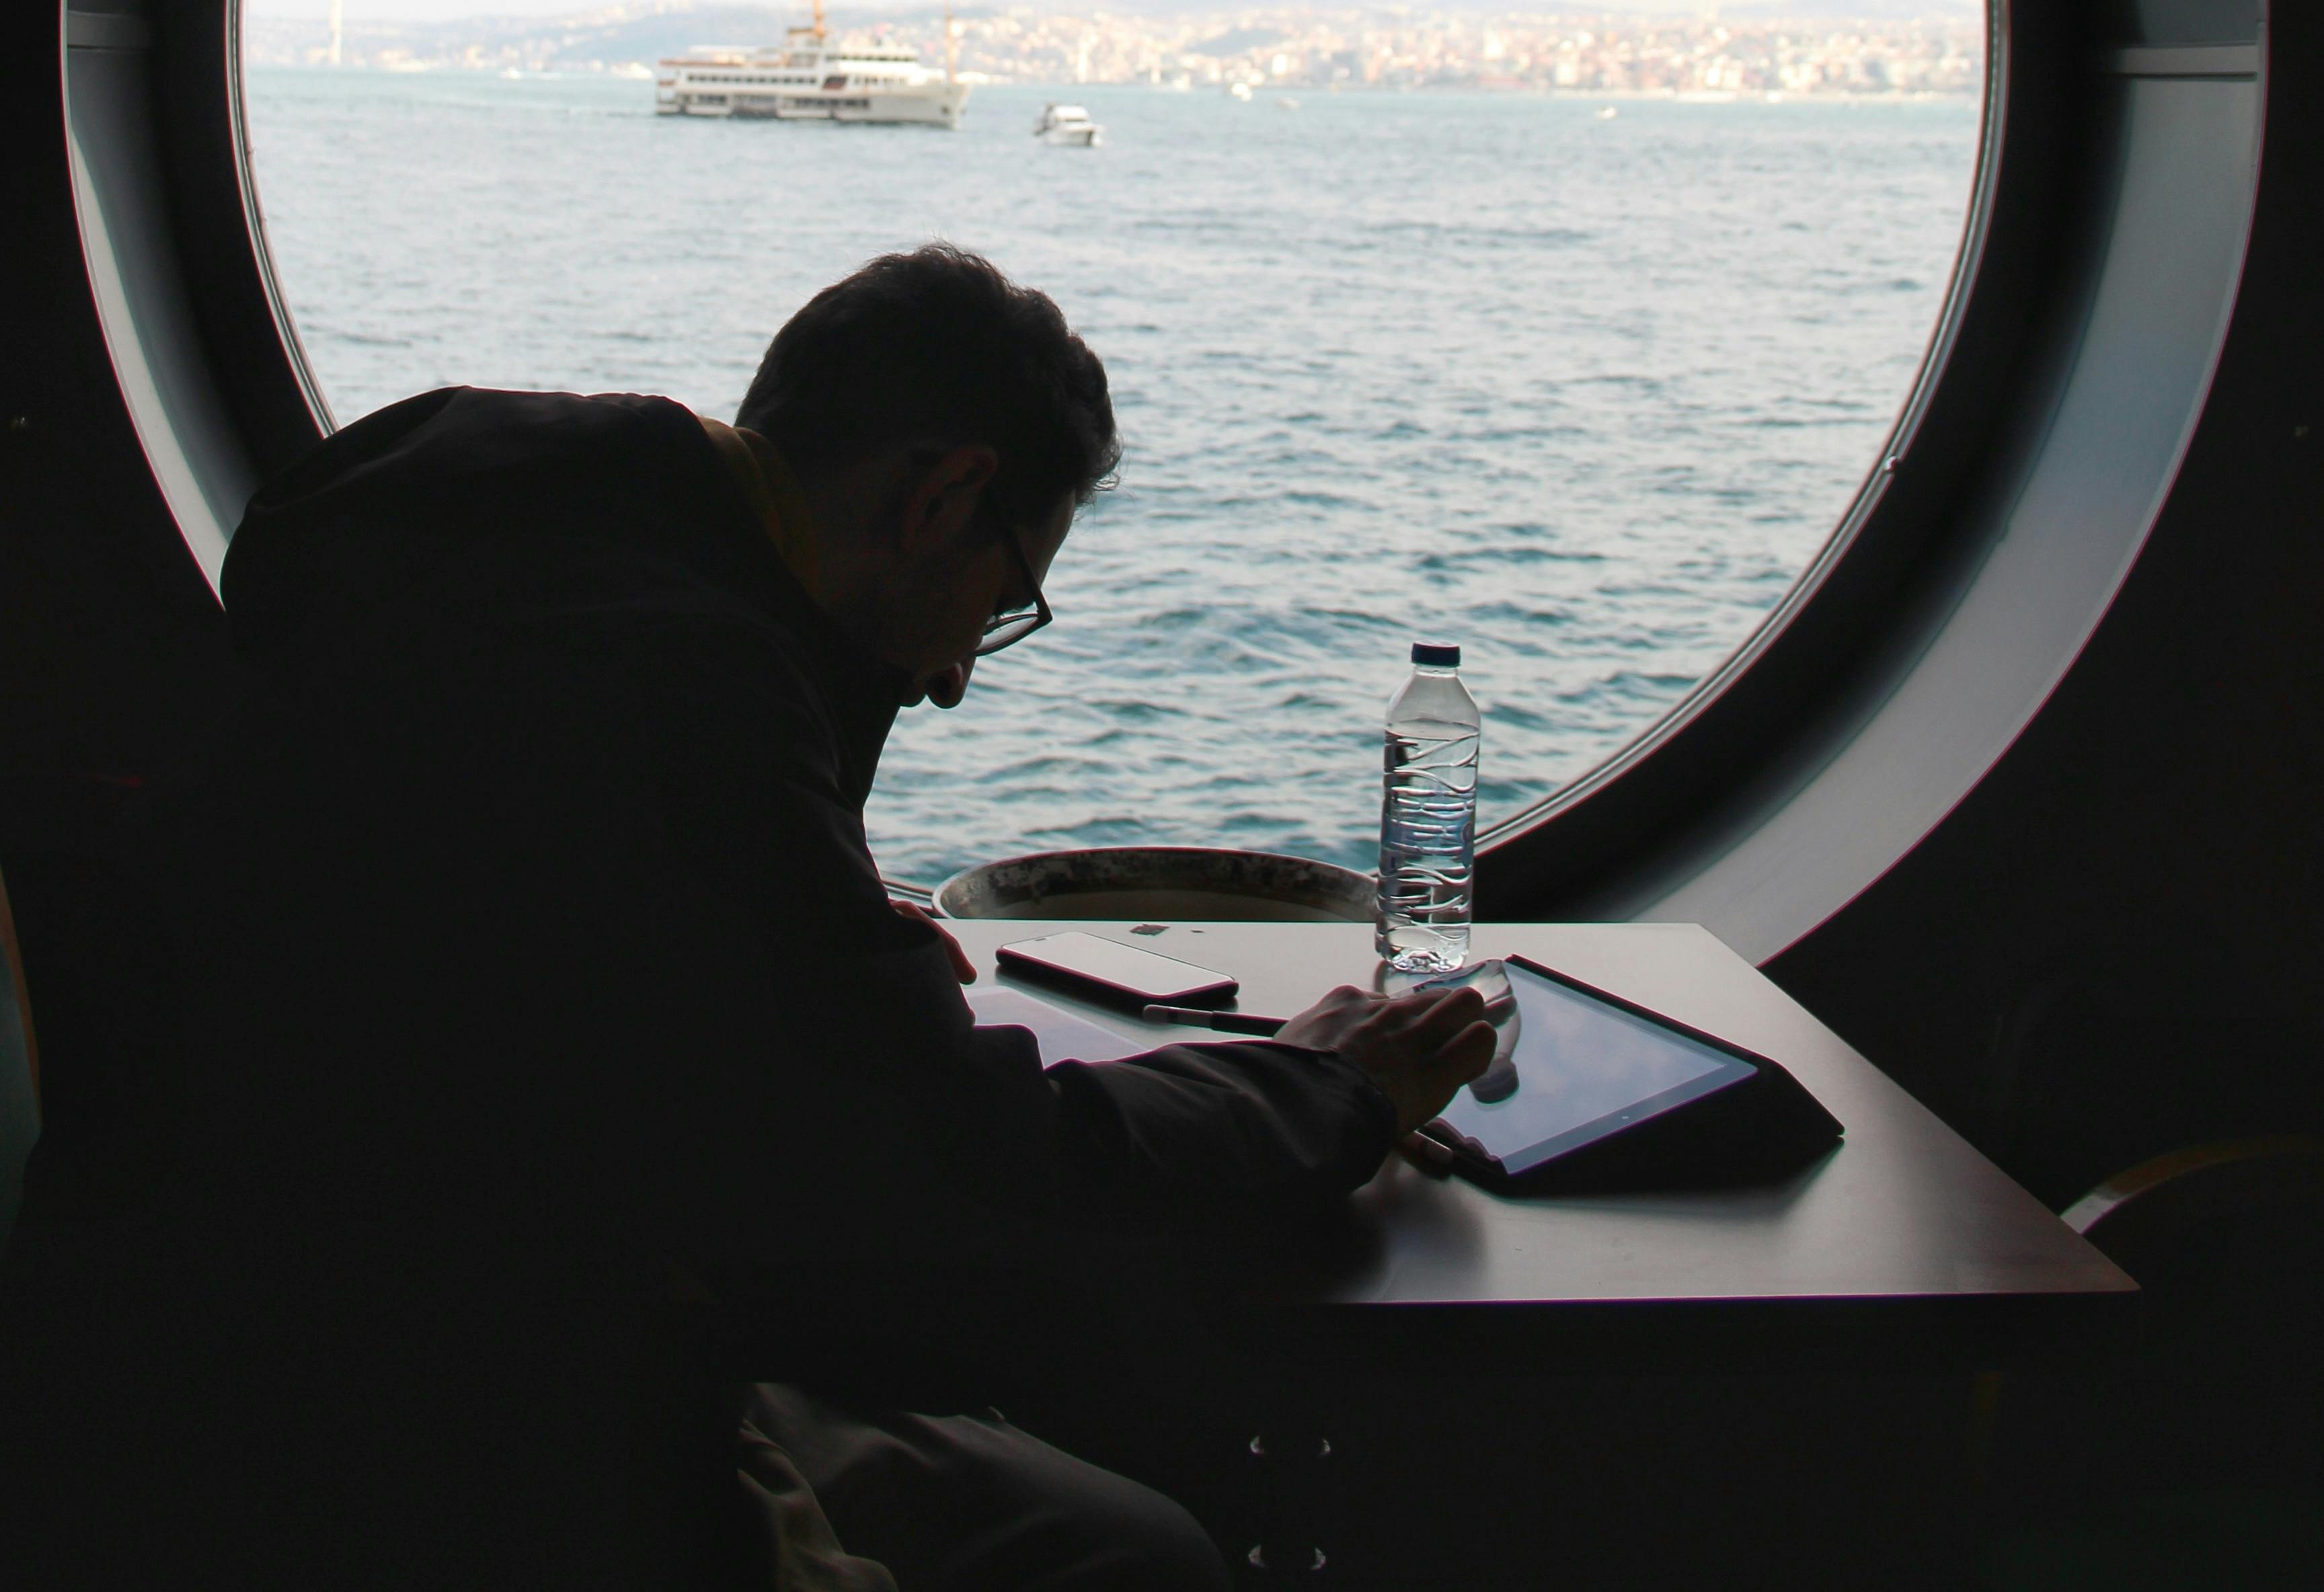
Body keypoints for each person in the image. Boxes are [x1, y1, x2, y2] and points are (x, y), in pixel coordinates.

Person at [0, 244, 1496, 1591]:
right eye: (1004, 598)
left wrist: (809, 933)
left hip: (212, 1352)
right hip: (486, 1434)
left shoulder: (466, 520)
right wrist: (1321, 1086)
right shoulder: (692, 696)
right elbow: (965, 1172)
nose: (964, 673)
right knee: (1145, 1554)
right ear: (943, 497)